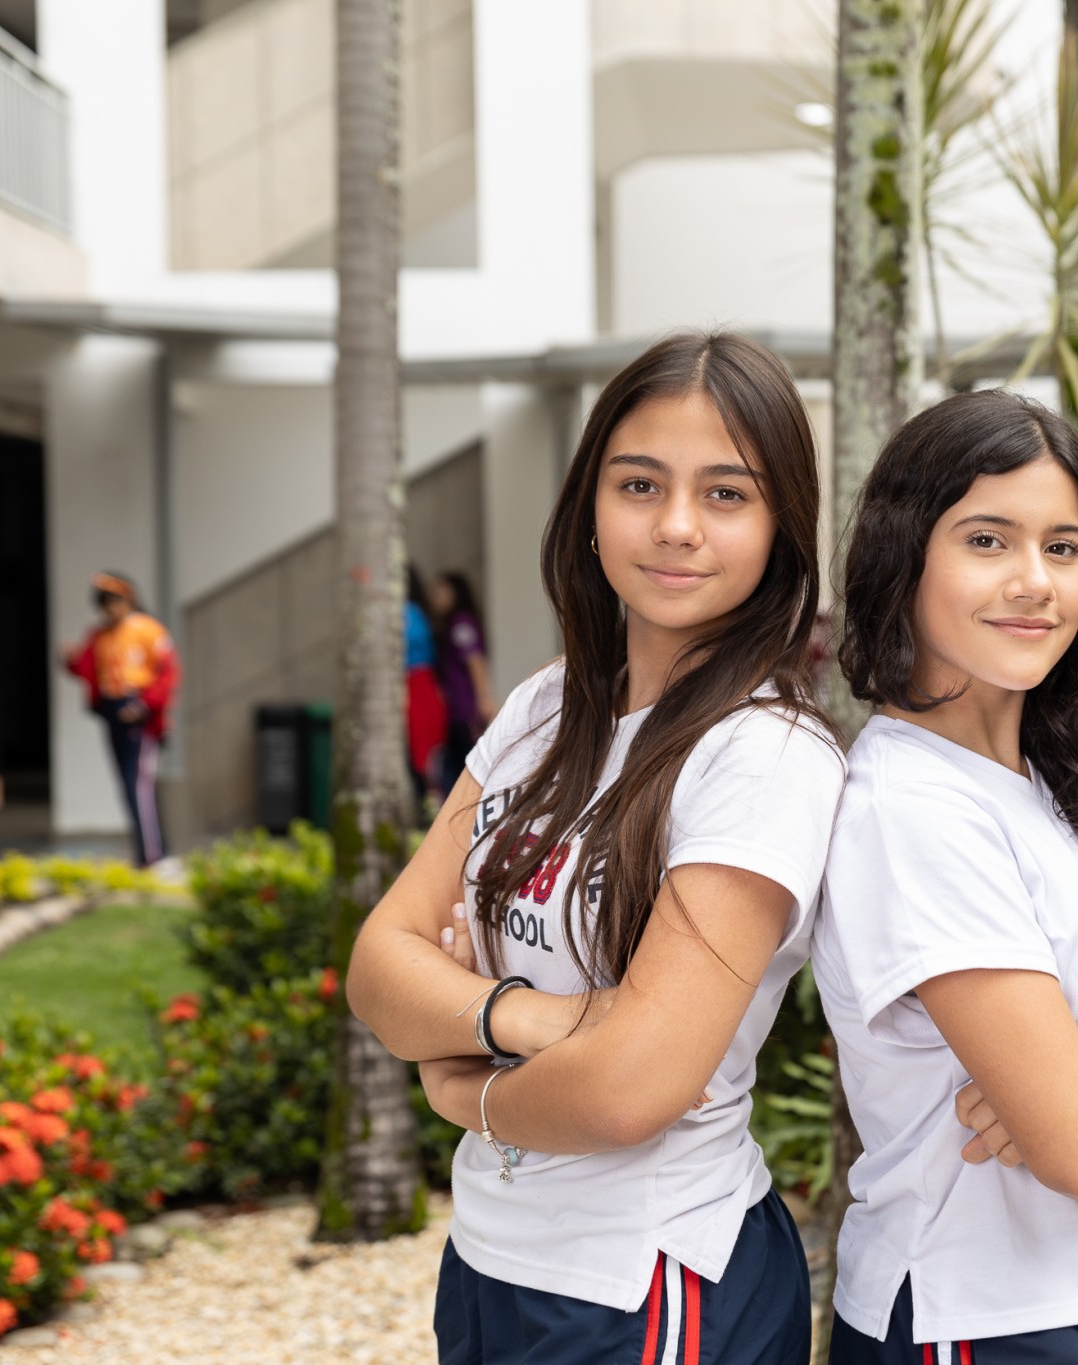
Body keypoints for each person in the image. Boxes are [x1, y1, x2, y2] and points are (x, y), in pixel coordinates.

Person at [346, 331, 843, 1365]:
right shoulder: (545, 705)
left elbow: (628, 1093)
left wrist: (464, 1086)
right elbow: (378, 963)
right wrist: (538, 1017)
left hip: (646, 1279)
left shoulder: (763, 756)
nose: (674, 527)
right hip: (491, 1255)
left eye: (725, 494)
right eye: (639, 484)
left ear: (779, 529)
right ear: (588, 505)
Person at [814, 390, 1078, 1365]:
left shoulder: (1077, 776)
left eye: (1061, 548)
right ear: (905, 558)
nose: (1033, 581)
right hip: (972, 1318)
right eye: (986, 541)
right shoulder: (910, 811)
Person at [62, 571, 179, 867]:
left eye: (115, 601)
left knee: (138, 785)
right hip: (112, 710)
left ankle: (155, 857)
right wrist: (69, 660)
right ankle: (148, 855)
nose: (109, 609)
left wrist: (143, 705)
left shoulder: (148, 629)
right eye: (104, 603)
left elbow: (168, 675)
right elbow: (87, 669)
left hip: (139, 712)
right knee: (129, 785)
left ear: (129, 600)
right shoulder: (100, 635)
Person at [429, 569, 496, 795]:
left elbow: (475, 662)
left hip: (466, 711)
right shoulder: (452, 625)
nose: (436, 596)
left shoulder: (461, 624)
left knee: (467, 768)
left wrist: (484, 698)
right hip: (456, 711)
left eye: (441, 590)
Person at [405, 566, 450, 801]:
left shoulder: (407, 613)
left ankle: (431, 802)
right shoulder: (421, 612)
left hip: (415, 684)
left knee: (422, 753)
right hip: (426, 684)